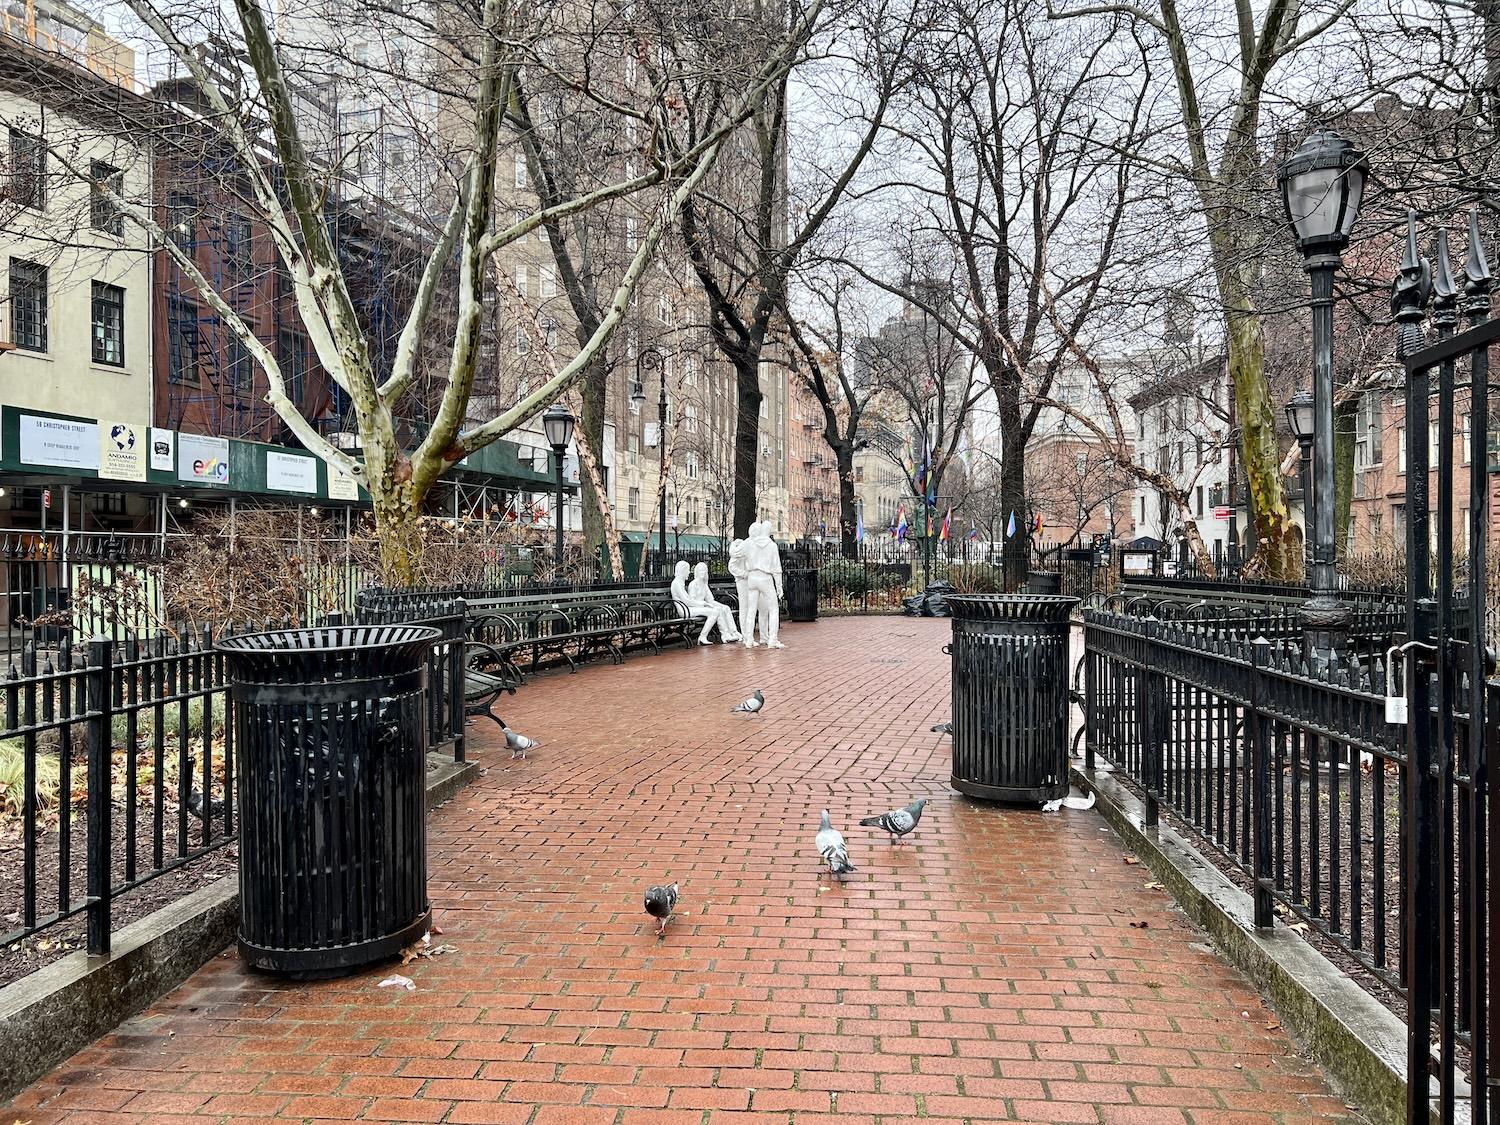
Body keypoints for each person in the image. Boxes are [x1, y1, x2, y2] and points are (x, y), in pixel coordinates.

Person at [745, 520, 785, 648]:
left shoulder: (750, 544)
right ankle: (772, 639)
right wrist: (779, 587)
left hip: (752, 577)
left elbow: (737, 554)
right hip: (765, 578)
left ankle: (749, 639)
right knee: (773, 609)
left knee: (751, 610)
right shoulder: (771, 545)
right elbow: (776, 568)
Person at [689, 562, 740, 642]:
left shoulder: (704, 585)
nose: (703, 572)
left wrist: (721, 605)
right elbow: (692, 601)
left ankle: (734, 632)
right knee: (718, 610)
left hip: (705, 606)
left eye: (704, 570)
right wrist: (706, 605)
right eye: (701, 570)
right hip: (698, 607)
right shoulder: (693, 584)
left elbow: (710, 600)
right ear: (697, 572)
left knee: (725, 608)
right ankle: (725, 634)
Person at [728, 537, 753, 644]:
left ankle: (748, 634)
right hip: (742, 581)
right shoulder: (738, 550)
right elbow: (731, 566)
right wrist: (743, 574)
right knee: (744, 608)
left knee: (750, 607)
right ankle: (745, 635)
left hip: (748, 581)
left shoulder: (746, 550)